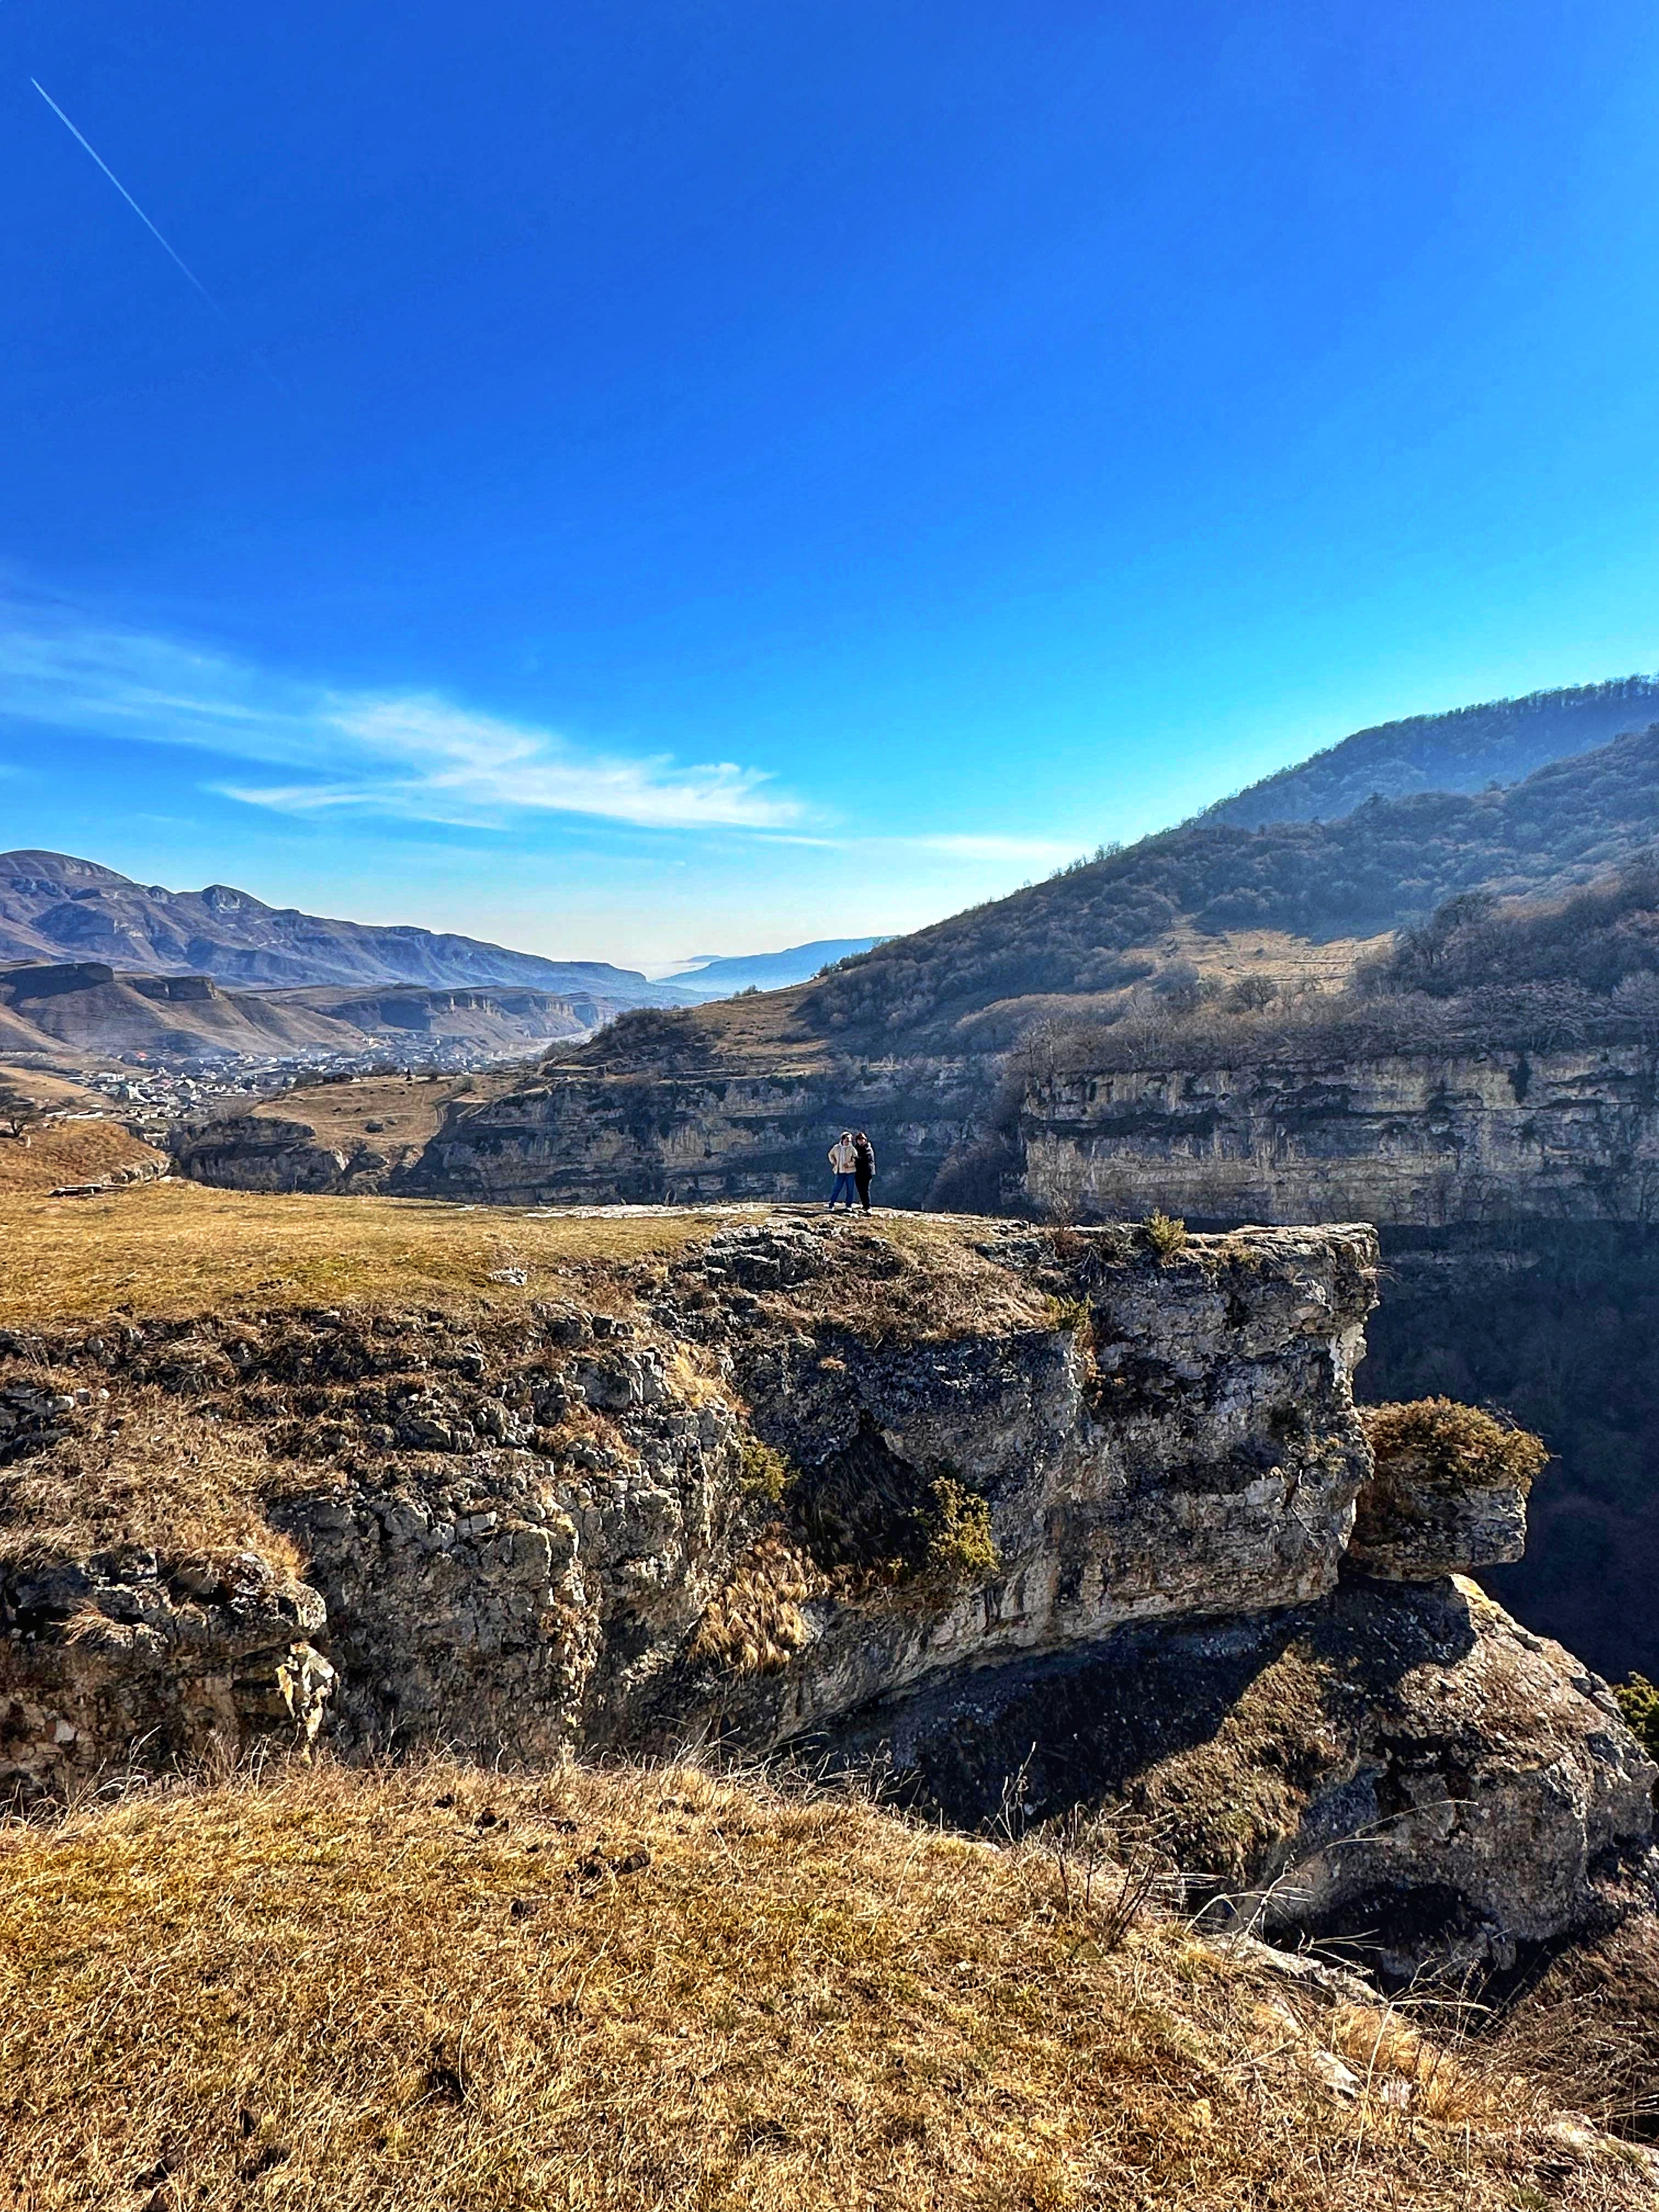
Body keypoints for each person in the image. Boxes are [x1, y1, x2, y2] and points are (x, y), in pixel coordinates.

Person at [826, 1131, 859, 1210]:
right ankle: (831, 1205)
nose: (849, 1141)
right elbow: (830, 1155)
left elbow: (856, 1160)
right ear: (843, 1139)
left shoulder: (852, 1149)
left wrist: (849, 1165)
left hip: (850, 1172)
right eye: (848, 1139)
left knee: (850, 1190)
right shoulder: (836, 1148)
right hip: (840, 1172)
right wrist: (834, 1162)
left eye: (850, 1140)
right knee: (837, 1189)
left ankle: (849, 1206)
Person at [853, 1129, 876, 1214]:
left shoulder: (868, 1149)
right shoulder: (856, 1149)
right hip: (858, 1172)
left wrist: (855, 1159)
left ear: (865, 1140)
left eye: (863, 1139)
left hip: (867, 1172)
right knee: (860, 1189)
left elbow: (865, 1158)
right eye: (859, 1139)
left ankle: (868, 1207)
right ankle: (864, 1205)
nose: (861, 1141)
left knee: (865, 1189)